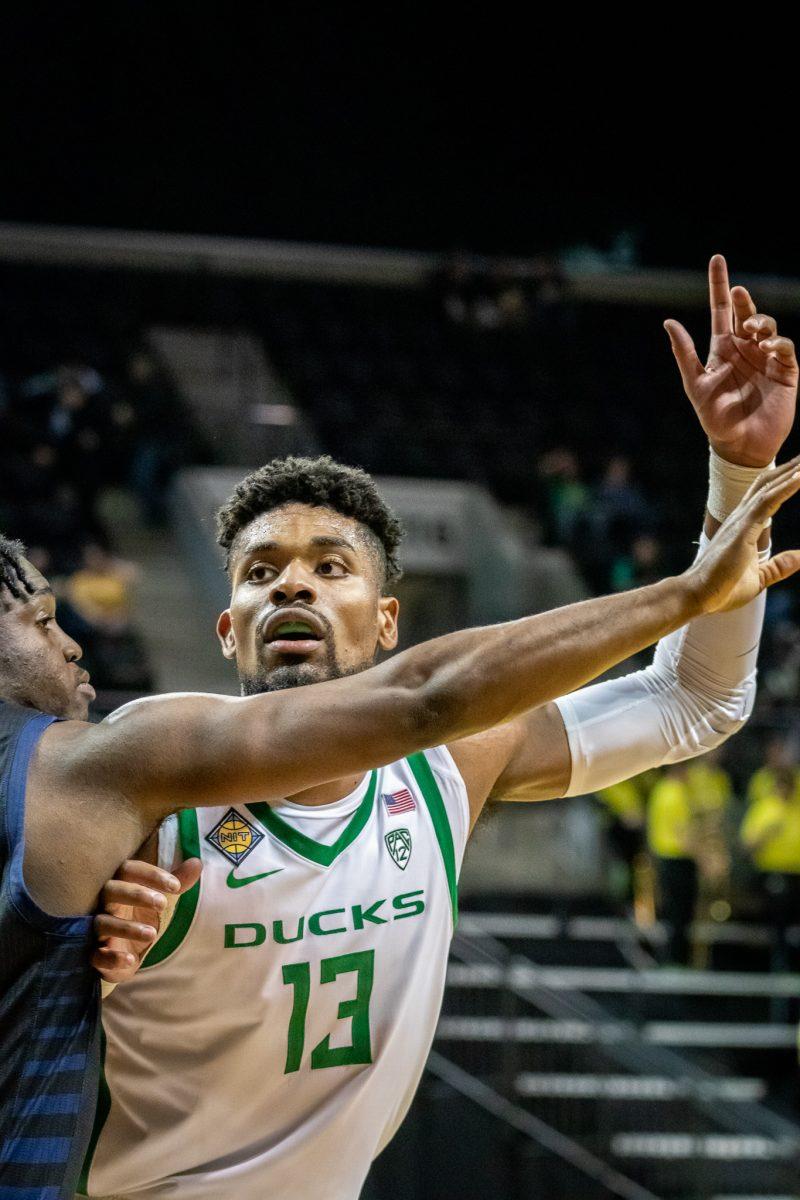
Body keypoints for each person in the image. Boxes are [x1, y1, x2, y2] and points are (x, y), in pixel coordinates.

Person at [83, 257, 800, 1200]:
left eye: (331, 566)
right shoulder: (152, 768)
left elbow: (697, 700)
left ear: (388, 621)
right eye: (260, 574)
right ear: (228, 632)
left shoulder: (441, 769)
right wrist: (81, 970)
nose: (290, 583)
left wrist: (735, 466)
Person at [740, 764, 800, 974]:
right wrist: (766, 835)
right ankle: (780, 960)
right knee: (779, 908)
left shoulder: (797, 809)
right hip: (772, 872)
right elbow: (746, 846)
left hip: (797, 873)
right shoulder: (764, 809)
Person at [647, 763, 698, 964]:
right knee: (681, 915)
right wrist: (703, 857)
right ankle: (677, 959)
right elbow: (683, 833)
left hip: (664, 857)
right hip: (678, 859)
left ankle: (669, 957)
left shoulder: (660, 789)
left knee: (671, 912)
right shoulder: (676, 794)